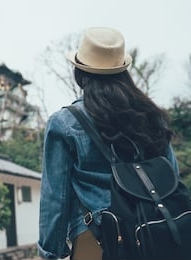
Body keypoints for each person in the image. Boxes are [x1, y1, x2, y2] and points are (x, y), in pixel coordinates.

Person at [37, 27, 178, 260]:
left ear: (80, 72)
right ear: (123, 71)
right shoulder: (152, 116)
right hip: (155, 234)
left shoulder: (65, 122)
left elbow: (56, 198)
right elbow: (171, 177)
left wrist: (49, 252)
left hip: (98, 239)